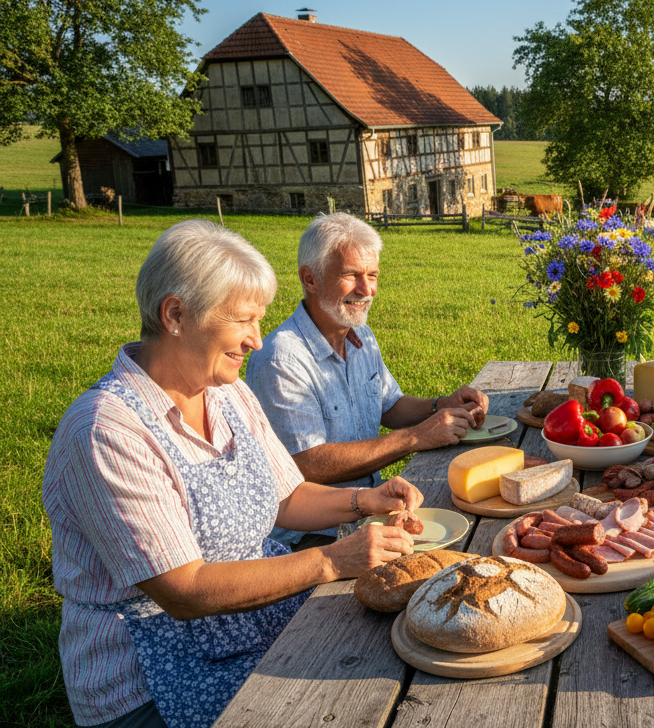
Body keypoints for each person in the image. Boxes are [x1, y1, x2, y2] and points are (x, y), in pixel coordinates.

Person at [44, 220, 422, 728]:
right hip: (154, 673)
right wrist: (332, 560)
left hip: (253, 619)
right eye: (244, 321)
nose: (257, 341)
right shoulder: (106, 429)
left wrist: (364, 504)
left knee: (392, 656)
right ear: (175, 313)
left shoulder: (228, 393)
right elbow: (186, 590)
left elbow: (286, 499)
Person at [246, 213, 489, 549]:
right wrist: (417, 437)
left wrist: (439, 405)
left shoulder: (359, 335)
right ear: (310, 279)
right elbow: (305, 464)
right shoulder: (281, 357)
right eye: (351, 275)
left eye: (372, 275)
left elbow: (389, 406)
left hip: (370, 510)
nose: (366, 289)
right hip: (313, 536)